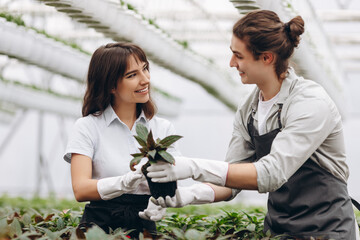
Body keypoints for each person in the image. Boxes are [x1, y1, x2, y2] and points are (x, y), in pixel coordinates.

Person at [144, 10, 360, 239]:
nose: (231, 63)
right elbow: (231, 180)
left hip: (328, 230)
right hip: (279, 231)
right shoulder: (250, 108)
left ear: (267, 57)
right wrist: (189, 195)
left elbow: (272, 173)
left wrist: (194, 167)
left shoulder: (310, 103)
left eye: (238, 56)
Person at [63, 42, 179, 238]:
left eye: (145, 69)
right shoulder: (87, 127)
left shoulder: (162, 128)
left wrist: (161, 200)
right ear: (110, 85)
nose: (145, 80)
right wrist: (124, 182)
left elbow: (172, 182)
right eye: (132, 75)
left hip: (144, 225)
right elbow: (81, 189)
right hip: (98, 227)